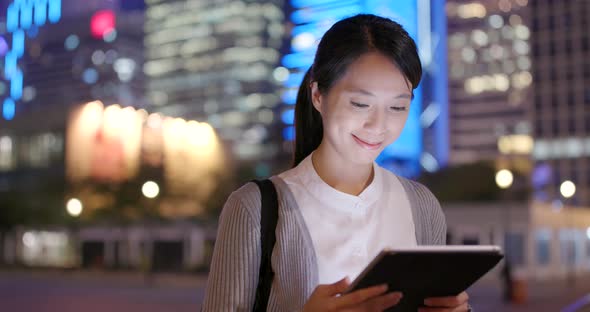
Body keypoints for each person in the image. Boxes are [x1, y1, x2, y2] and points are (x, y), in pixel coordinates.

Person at [202, 14, 471, 311]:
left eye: (397, 106)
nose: (378, 125)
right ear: (318, 95)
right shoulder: (255, 208)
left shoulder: (421, 206)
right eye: (360, 103)